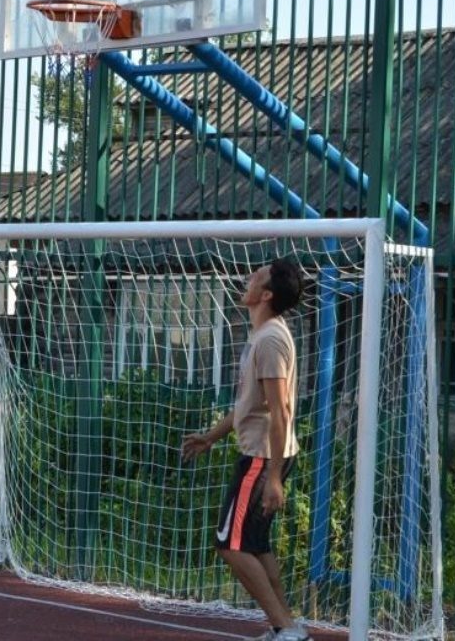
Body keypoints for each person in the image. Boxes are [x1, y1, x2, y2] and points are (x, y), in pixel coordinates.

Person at [181, 259, 310, 641]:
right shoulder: (265, 334)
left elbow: (280, 408)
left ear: (266, 294)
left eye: (257, 277)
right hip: (264, 453)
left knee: (229, 545)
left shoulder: (270, 339)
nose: (247, 278)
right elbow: (249, 406)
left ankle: (286, 628)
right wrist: (211, 436)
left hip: (262, 457)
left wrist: (272, 478)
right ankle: (286, 627)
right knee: (254, 544)